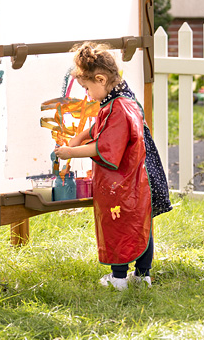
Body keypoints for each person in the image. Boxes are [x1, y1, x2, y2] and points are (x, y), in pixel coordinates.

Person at [54, 41, 171, 290]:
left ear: (100, 79)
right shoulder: (121, 98)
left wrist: (70, 152)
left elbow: (104, 147)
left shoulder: (117, 106)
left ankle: (119, 280)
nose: (86, 94)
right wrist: (80, 136)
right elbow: (100, 126)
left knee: (119, 224)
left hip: (126, 181)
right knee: (141, 224)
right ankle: (142, 276)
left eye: (86, 88)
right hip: (140, 178)